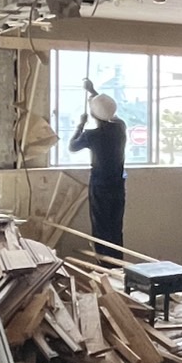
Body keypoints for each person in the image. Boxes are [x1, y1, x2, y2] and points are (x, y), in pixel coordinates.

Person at [68, 78, 128, 260]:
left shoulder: (91, 135)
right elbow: (107, 112)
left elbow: (72, 146)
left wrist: (80, 125)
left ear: (93, 115)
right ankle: (117, 264)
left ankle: (104, 265)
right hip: (117, 184)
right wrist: (93, 92)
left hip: (100, 186)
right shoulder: (120, 128)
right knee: (115, 226)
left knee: (101, 227)